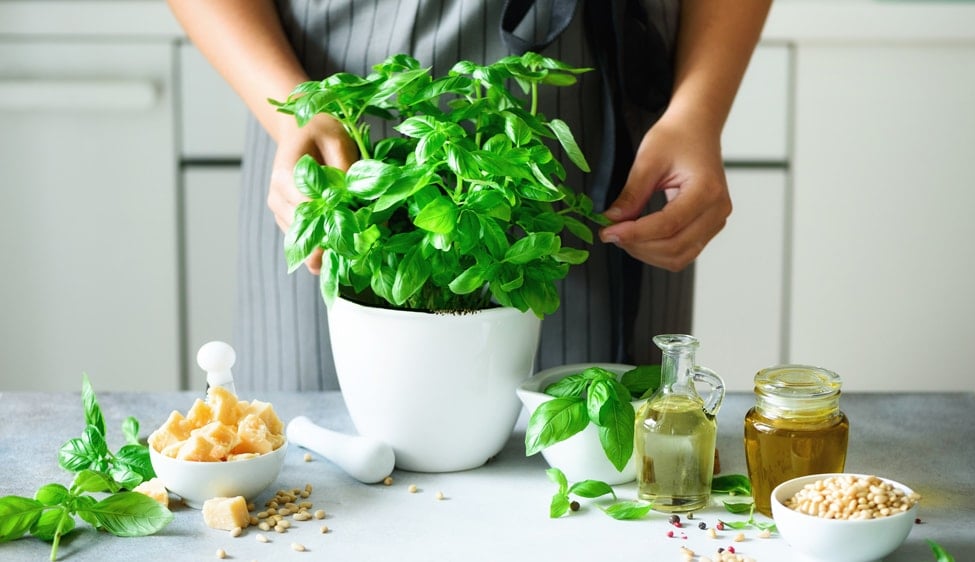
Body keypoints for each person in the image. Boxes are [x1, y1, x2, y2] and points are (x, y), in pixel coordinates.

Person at [166, 0, 772, 391]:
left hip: (611, 102)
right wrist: (292, 107)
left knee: (605, 478)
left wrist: (700, 110)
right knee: (323, 484)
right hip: (341, 102)